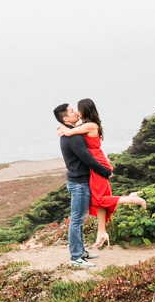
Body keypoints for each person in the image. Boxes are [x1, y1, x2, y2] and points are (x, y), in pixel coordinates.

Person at [56, 98, 147, 249]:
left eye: (77, 109)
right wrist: (62, 127)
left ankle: (132, 199)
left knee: (99, 199)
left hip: (96, 162)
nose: (76, 113)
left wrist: (61, 126)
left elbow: (67, 131)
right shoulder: (85, 124)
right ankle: (102, 232)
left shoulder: (90, 125)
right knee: (99, 198)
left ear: (84, 110)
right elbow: (65, 130)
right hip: (95, 161)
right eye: (73, 111)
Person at [53, 102, 114, 268]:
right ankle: (75, 257)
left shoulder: (70, 133)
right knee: (76, 220)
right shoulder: (74, 138)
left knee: (77, 220)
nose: (76, 113)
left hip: (78, 181)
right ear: (66, 118)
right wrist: (105, 172)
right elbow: (87, 158)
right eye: (72, 111)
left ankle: (81, 252)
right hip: (79, 183)